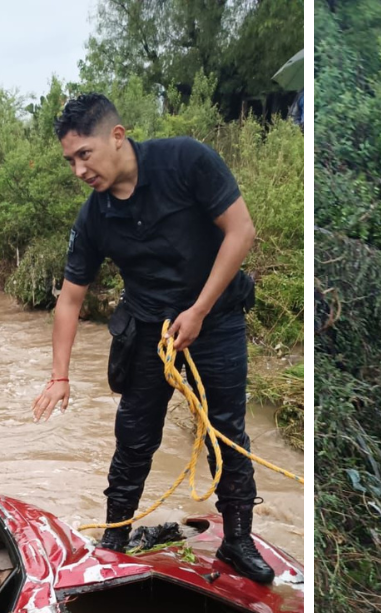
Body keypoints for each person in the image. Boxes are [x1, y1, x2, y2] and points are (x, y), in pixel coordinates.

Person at [31, 93, 275, 585]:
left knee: (226, 432)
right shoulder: (94, 216)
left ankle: (237, 541)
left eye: (85, 155)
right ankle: (114, 538)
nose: (79, 170)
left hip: (215, 318)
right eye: (70, 160)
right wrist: (59, 376)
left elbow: (241, 231)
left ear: (117, 137)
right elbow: (71, 299)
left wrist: (199, 310)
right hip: (148, 331)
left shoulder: (185, 161)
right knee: (134, 436)